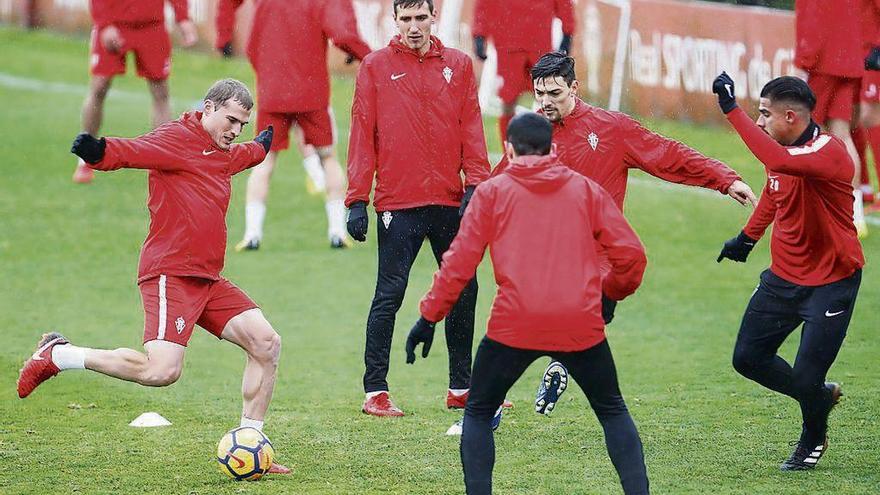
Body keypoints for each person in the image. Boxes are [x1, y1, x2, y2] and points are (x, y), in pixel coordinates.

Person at [19, 79, 291, 475]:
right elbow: (133, 151)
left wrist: (260, 147)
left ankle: (252, 442)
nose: (235, 131)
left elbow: (242, 157)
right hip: (171, 274)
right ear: (208, 108)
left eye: (242, 125)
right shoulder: (177, 138)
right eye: (231, 120)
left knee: (266, 344)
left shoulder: (224, 151)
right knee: (162, 371)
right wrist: (98, 153)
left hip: (207, 279)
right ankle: (58, 355)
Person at [488, 52, 757, 416]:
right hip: (546, 254)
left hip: (600, 255)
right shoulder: (531, 133)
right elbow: (499, 184)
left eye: (555, 93)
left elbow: (667, 154)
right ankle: (491, 403)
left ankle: (555, 374)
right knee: (520, 329)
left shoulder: (610, 128)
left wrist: (724, 179)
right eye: (540, 94)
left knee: (593, 310)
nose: (546, 102)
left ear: (574, 88)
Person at [406, 112, 650, 494]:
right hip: (578, 322)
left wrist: (428, 317)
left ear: (508, 149)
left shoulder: (492, 192)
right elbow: (632, 256)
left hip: (514, 323)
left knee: (480, 412)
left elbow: (459, 263)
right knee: (612, 410)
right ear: (553, 149)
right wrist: (610, 294)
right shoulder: (584, 190)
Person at [712, 73, 864, 470]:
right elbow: (774, 189)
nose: (760, 122)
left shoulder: (828, 152)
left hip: (832, 282)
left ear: (792, 117)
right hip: (783, 278)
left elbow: (778, 162)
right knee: (747, 358)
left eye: (765, 114)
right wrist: (746, 239)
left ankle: (812, 438)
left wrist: (731, 109)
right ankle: (817, 396)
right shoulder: (784, 147)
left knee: (804, 377)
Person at [346, 0, 490, 416]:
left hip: (449, 200)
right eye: (405, 19)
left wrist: (477, 182)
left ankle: (461, 389)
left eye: (420, 18)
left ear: (433, 18)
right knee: (389, 295)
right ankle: (376, 391)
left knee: (464, 291)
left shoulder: (459, 65)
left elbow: (471, 124)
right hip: (398, 203)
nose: (413, 26)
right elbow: (362, 131)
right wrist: (356, 198)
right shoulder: (374, 66)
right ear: (395, 20)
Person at [238, 0, 372, 250]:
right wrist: (367, 55)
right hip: (312, 93)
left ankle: (252, 234)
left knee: (264, 162)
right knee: (328, 158)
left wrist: (269, 74)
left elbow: (251, 47)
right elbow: (342, 34)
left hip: (273, 94)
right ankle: (337, 232)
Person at [72, 0, 198, 184]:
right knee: (99, 87)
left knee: (161, 92)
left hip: (152, 26)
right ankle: (85, 157)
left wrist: (183, 18)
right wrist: (104, 23)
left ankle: (162, 160)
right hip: (114, 23)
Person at [794, 0, 868, 236]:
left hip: (821, 61)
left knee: (805, 136)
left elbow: (813, 19)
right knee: (842, 135)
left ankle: (807, 212)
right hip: (849, 58)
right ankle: (854, 214)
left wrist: (803, 63)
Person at [471, 0, 575, 144]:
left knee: (551, 98)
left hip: (539, 44)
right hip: (508, 43)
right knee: (508, 100)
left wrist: (567, 33)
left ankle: (551, 151)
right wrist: (479, 34)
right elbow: (485, 3)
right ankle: (510, 154)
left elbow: (564, 3)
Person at [856, 0, 880, 212]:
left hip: (873, 53)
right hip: (856, 53)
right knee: (853, 118)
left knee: (871, 116)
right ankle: (863, 188)